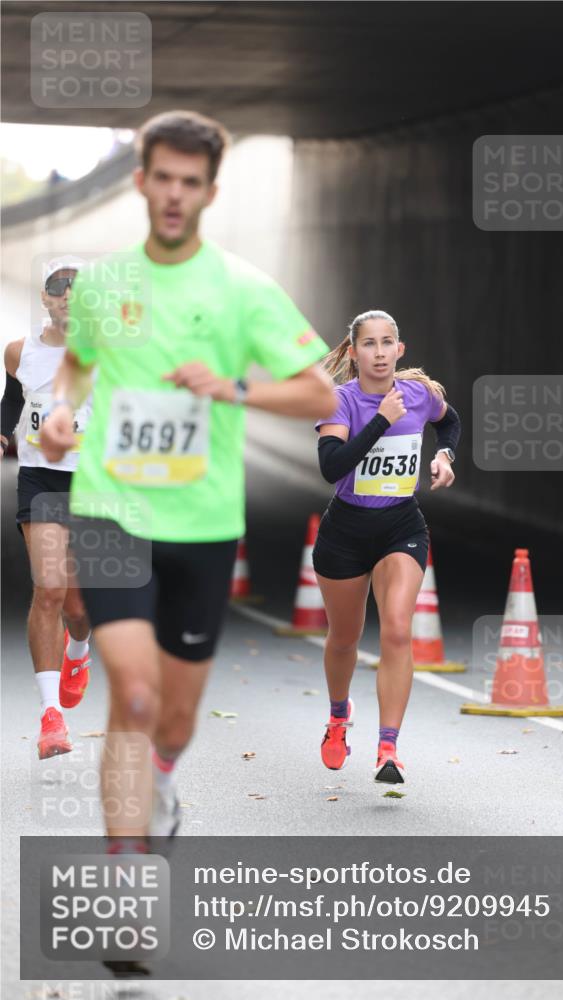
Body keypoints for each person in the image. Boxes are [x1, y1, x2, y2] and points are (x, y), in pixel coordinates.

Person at [40, 110, 336, 847]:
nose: (175, 194)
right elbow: (78, 361)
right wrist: (62, 408)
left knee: (172, 718)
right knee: (134, 694)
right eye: (164, 178)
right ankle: (126, 869)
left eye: (191, 182)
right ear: (142, 182)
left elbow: (319, 395)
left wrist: (234, 389)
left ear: (209, 192)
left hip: (203, 524)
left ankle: (163, 778)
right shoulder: (103, 283)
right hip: (111, 512)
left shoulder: (243, 289)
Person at [313, 309, 461, 785]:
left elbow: (450, 421)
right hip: (346, 532)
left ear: (400, 349)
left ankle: (388, 749)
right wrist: (380, 420)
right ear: (354, 352)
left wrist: (445, 454)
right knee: (344, 638)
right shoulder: (340, 401)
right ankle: (339, 716)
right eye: (369, 344)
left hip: (401, 525)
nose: (379, 353)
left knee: (397, 629)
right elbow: (332, 467)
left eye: (386, 343)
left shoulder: (418, 394)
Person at [1, 258, 93, 760]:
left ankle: (78, 651)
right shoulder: (20, 351)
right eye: (59, 288)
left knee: (79, 609)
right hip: (41, 480)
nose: (68, 298)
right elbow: (12, 400)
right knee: (50, 590)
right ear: (45, 298)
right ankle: (50, 716)